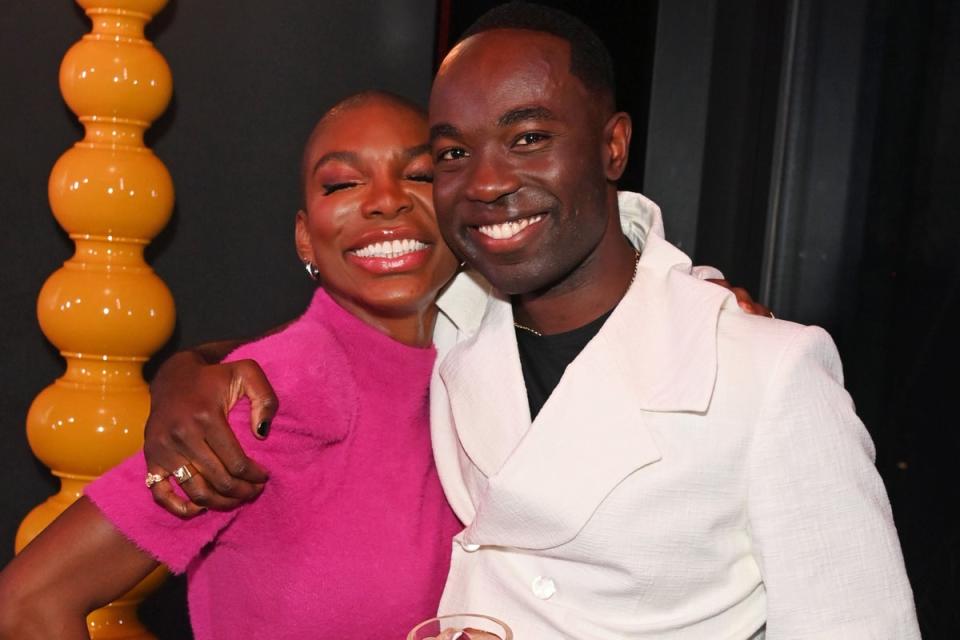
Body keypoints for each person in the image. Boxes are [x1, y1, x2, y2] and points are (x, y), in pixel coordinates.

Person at [139, 3, 920, 639]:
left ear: (612, 146)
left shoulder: (763, 371)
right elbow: (314, 350)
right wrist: (185, 374)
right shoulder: (457, 314)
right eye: (451, 154)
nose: (485, 182)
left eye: (528, 138)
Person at [0, 92, 466, 639]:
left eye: (419, 175)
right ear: (304, 238)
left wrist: (187, 362)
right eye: (342, 183)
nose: (387, 201)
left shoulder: (477, 357)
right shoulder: (275, 392)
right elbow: (30, 602)